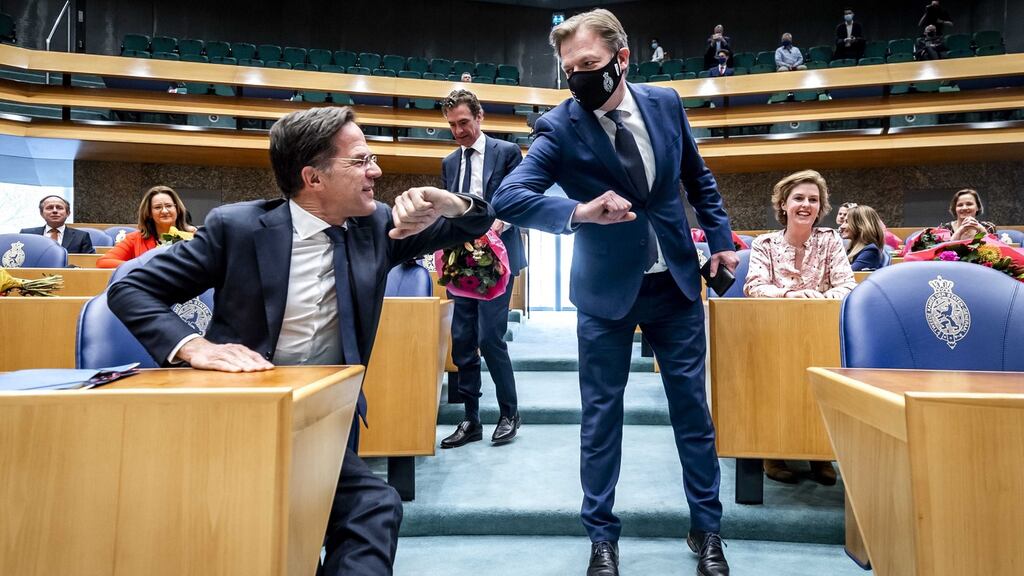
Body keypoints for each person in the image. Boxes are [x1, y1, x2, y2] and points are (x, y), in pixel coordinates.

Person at [107, 106, 494, 576]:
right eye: (360, 161)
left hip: (325, 418)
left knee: (371, 508)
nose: (376, 170)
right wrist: (194, 347)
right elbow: (130, 289)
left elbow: (474, 224)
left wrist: (448, 202)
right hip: (236, 416)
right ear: (313, 177)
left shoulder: (378, 227)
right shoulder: (238, 228)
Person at [492, 9, 736, 576]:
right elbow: (510, 198)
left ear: (621, 59)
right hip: (605, 295)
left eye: (590, 64)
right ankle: (601, 536)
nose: (578, 76)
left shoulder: (666, 103)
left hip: (675, 284)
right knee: (601, 418)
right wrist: (578, 211)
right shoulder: (559, 127)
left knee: (692, 413)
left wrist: (720, 237)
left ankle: (708, 531)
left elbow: (697, 178)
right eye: (569, 68)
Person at [744, 170, 855, 485]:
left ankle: (819, 453)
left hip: (820, 328)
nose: (806, 205)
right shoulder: (764, 243)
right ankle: (773, 451)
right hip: (774, 331)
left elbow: (847, 285)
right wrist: (791, 295)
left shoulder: (830, 239)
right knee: (773, 381)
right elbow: (754, 286)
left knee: (821, 381)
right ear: (783, 204)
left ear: (821, 207)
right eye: (799, 198)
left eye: (813, 199)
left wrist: (817, 299)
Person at [438, 89, 525, 449]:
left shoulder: (506, 152)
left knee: (490, 337)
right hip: (461, 266)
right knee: (462, 342)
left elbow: (519, 198)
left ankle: (509, 414)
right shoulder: (448, 163)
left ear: (479, 117)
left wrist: (497, 225)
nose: (458, 131)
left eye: (464, 122)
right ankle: (471, 419)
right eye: (452, 125)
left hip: (498, 261)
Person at [97, 185, 196, 268]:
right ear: (148, 213)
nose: (165, 211)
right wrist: (143, 266)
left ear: (177, 209)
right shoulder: (134, 239)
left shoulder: (194, 236)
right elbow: (103, 262)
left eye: (169, 206)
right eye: (158, 207)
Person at [20, 195, 94, 254]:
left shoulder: (82, 237)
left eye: (59, 208)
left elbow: (87, 262)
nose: (55, 211)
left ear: (68, 213)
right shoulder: (27, 235)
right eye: (49, 208)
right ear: (41, 213)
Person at [841, 205, 886, 271]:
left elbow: (846, 274)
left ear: (860, 226)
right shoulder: (850, 248)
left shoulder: (870, 251)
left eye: (847, 222)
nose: (842, 226)